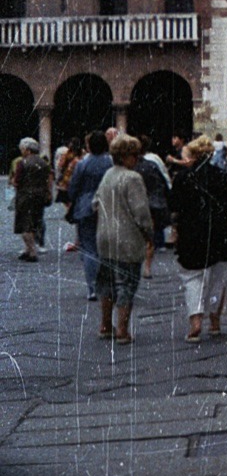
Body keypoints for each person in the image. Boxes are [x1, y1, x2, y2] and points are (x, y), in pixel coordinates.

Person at [169, 135, 227, 342]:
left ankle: (196, 321)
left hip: (191, 235)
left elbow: (174, 207)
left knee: (193, 278)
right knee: (219, 278)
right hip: (220, 234)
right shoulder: (223, 176)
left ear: (193, 156)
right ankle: (215, 321)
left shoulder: (182, 177)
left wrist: (177, 229)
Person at [93, 133, 154, 344]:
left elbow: (95, 203)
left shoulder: (108, 174)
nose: (137, 159)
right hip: (127, 238)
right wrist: (148, 233)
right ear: (126, 156)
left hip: (105, 237)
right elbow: (141, 213)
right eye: (134, 155)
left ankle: (104, 325)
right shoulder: (132, 178)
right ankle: (122, 330)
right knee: (127, 283)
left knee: (106, 282)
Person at [67, 131, 113, 298]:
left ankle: (93, 287)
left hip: (85, 208)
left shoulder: (82, 164)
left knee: (89, 248)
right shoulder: (111, 162)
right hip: (108, 206)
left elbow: (73, 188)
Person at [137, 136, 172, 276]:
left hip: (139, 204)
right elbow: (162, 183)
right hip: (153, 203)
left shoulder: (132, 167)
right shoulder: (151, 164)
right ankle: (147, 267)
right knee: (149, 239)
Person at [12, 138, 51, 261]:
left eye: (22, 149)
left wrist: (14, 182)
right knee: (34, 222)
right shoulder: (44, 163)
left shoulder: (22, 163)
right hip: (40, 196)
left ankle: (32, 251)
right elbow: (48, 179)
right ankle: (28, 249)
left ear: (27, 150)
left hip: (25, 196)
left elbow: (17, 181)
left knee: (25, 225)